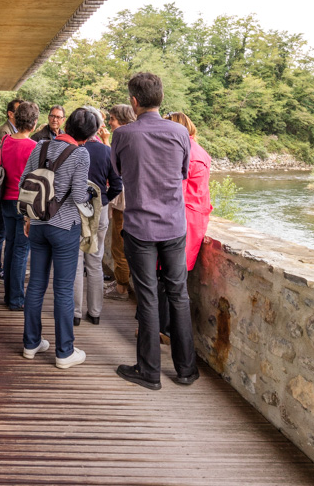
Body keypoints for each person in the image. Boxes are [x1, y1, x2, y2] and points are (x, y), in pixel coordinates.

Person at [111, 72, 199, 390]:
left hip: (139, 227)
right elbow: (184, 172)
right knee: (179, 295)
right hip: (174, 225)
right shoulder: (179, 133)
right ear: (160, 98)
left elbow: (119, 172)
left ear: (134, 102)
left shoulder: (123, 136)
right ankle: (186, 370)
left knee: (148, 298)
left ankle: (149, 371)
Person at [20, 107, 97, 370]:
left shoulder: (40, 147)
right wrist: (90, 196)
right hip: (64, 227)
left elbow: (24, 183)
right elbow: (77, 195)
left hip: (39, 224)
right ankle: (64, 352)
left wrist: (28, 219)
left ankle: (31, 344)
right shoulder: (81, 153)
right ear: (87, 136)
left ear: (66, 125)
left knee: (36, 284)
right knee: (63, 289)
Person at [156, 111, 213, 335]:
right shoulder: (200, 151)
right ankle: (167, 329)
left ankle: (165, 329)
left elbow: (175, 192)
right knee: (177, 275)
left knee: (167, 275)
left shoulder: (182, 152)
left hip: (181, 220)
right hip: (196, 218)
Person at [73, 106, 122, 326]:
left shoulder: (73, 150)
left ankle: (74, 312)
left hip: (76, 210)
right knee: (95, 262)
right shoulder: (106, 151)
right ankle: (95, 312)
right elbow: (117, 184)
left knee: (75, 262)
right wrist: (103, 199)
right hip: (99, 211)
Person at [0, 101, 38, 310]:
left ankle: (8, 295)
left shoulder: (5, 140)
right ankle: (16, 299)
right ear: (33, 123)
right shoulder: (34, 147)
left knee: (10, 246)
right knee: (22, 251)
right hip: (24, 203)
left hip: (6, 199)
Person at [0, 98, 22, 283]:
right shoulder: (4, 133)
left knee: (2, 230)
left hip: (5, 189)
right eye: (19, 111)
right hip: (2, 190)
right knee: (0, 230)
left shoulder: (11, 131)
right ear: (10, 113)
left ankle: (3, 268)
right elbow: (1, 162)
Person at [103, 104, 137, 301]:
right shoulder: (135, 135)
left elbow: (114, 164)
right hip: (131, 197)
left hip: (122, 198)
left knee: (119, 242)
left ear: (122, 120)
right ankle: (121, 282)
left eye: (112, 118)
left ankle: (122, 288)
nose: (109, 122)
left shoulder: (122, 135)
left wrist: (107, 142)